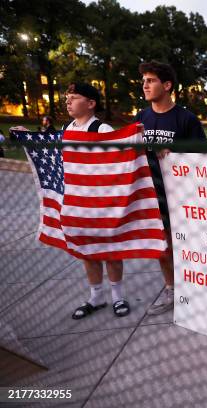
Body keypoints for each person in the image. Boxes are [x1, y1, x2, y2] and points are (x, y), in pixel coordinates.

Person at [135, 61, 207, 316]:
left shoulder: (185, 119)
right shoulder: (142, 117)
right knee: (161, 246)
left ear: (167, 85)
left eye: (151, 80)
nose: (145, 84)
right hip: (153, 194)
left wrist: (175, 154)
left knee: (187, 245)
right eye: (144, 80)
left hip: (182, 196)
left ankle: (195, 289)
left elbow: (204, 160)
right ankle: (171, 288)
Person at [63, 83, 130, 319]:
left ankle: (118, 296)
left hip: (103, 202)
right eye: (67, 98)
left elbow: (121, 159)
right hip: (79, 203)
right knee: (88, 252)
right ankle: (96, 296)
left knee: (111, 251)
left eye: (74, 98)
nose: (68, 102)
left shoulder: (101, 129)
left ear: (91, 103)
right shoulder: (66, 128)